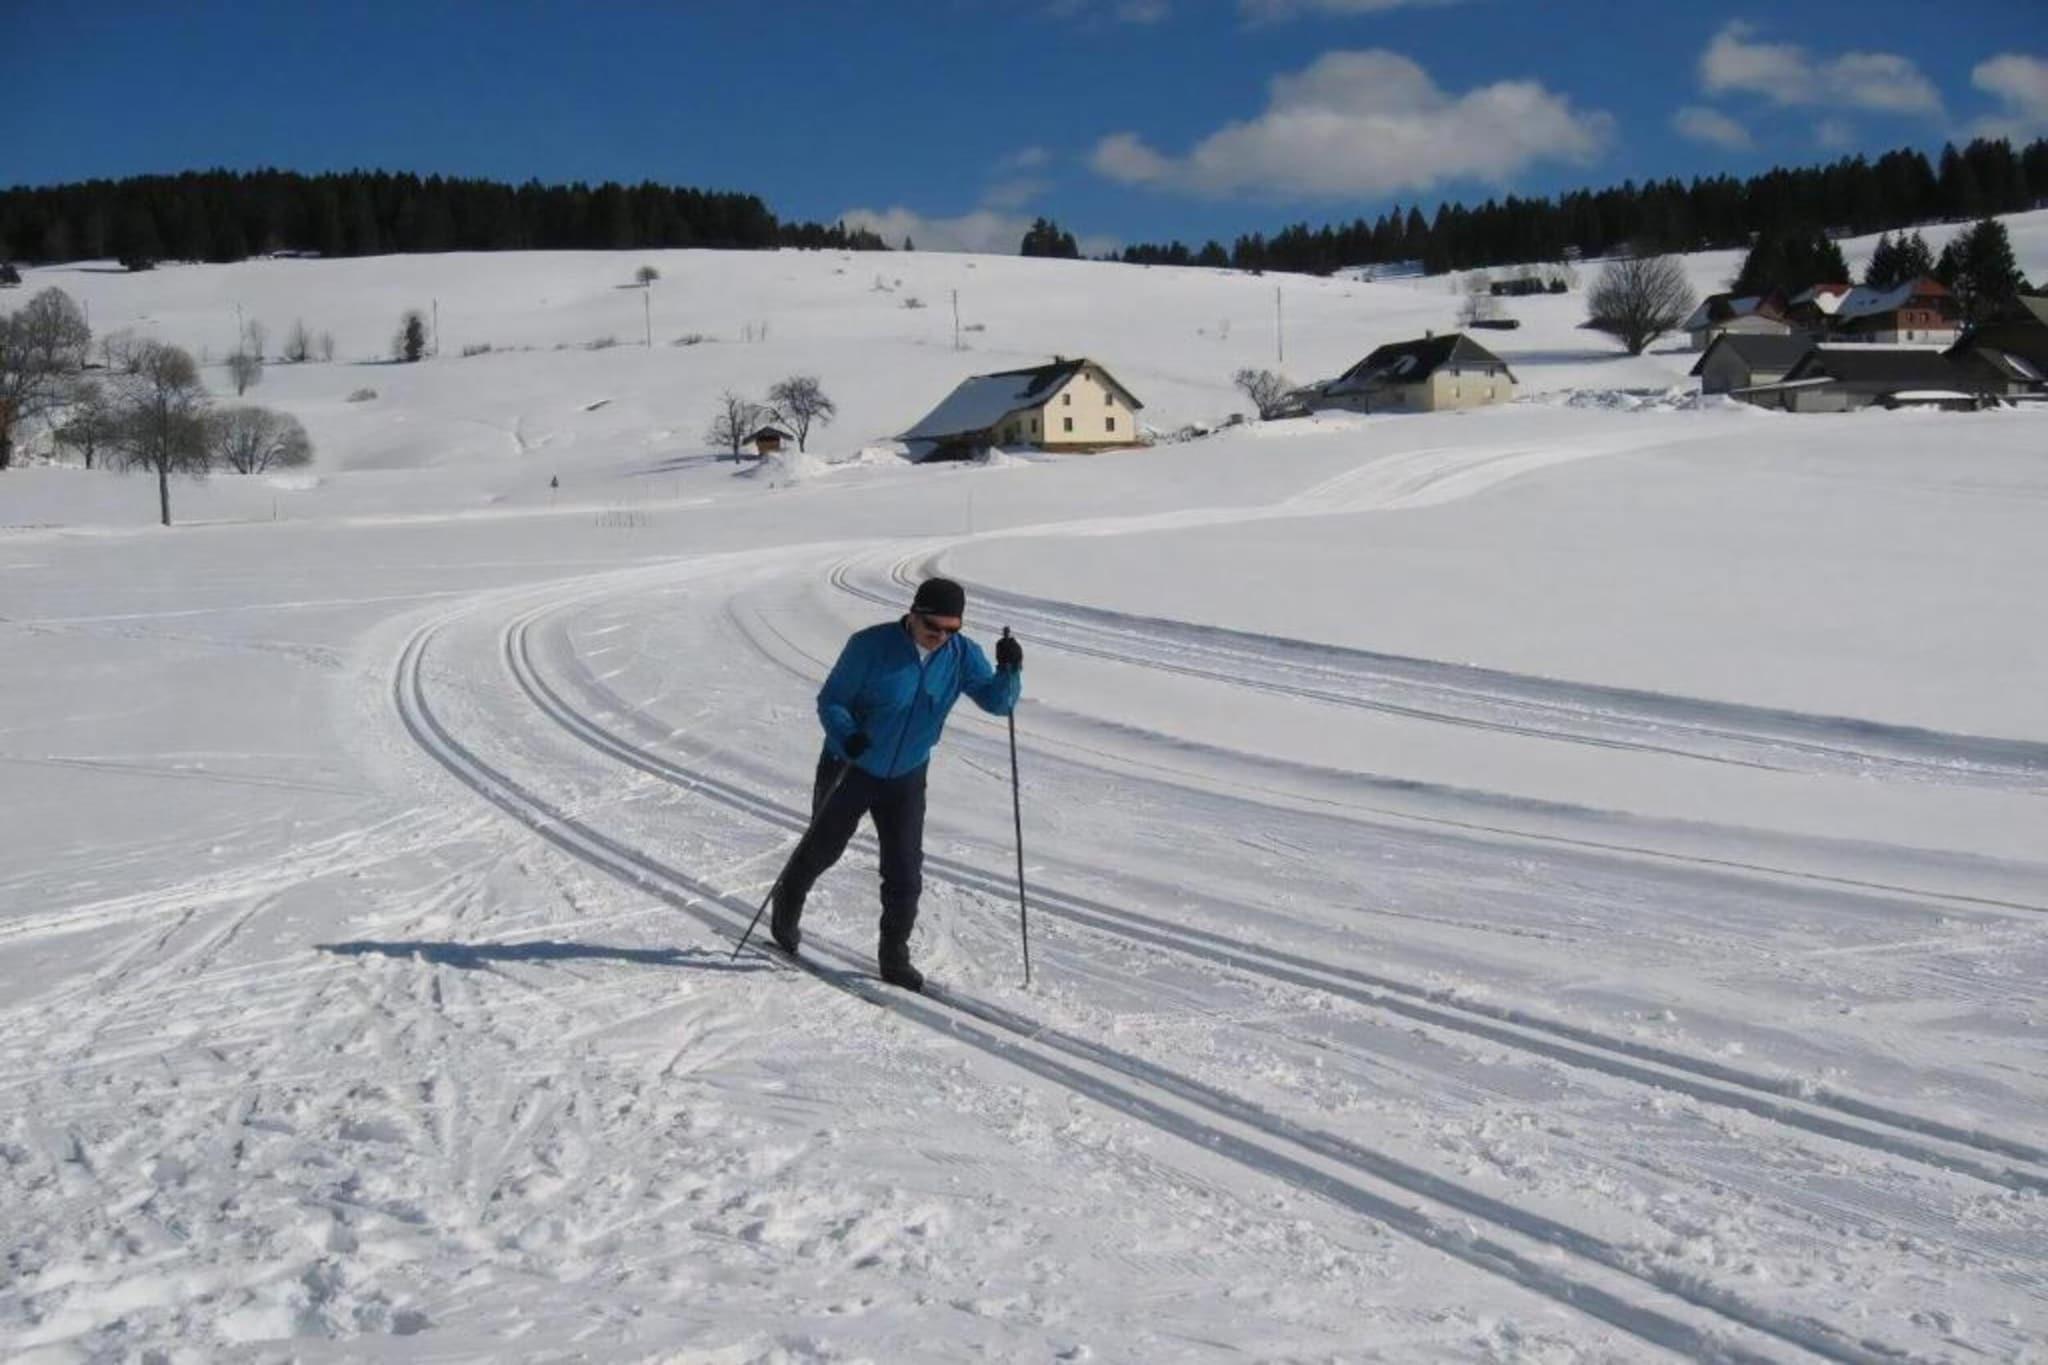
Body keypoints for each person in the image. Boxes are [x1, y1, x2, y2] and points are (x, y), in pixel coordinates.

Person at [771, 577, 1022, 991]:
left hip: (906, 774)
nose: (941, 637)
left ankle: (894, 955)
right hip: (851, 765)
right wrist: (847, 735)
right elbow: (832, 700)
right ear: (913, 614)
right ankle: (787, 903)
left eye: (951, 629)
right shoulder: (869, 646)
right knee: (823, 849)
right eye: (933, 627)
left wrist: (1009, 670)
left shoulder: (961, 655)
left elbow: (999, 703)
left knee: (904, 870)